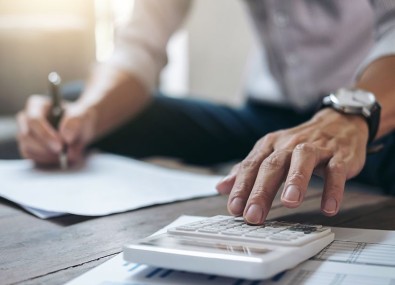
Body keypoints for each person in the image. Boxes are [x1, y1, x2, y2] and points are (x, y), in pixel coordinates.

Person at [16, 0, 395, 225]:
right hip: (264, 120)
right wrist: (86, 115)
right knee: (76, 98)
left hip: (371, 115)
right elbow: (140, 45)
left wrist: (350, 114)